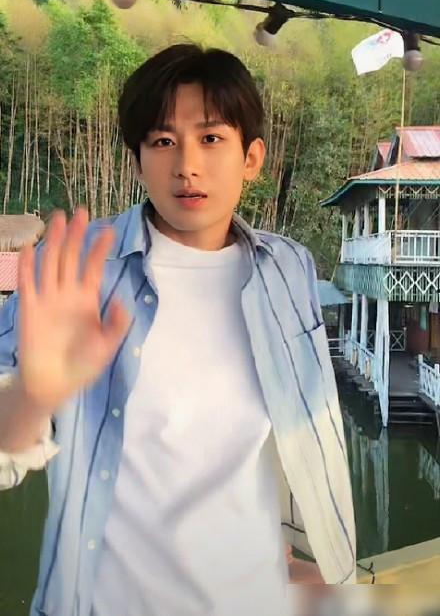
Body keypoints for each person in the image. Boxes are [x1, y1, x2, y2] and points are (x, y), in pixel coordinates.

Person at [0, 44, 356, 616]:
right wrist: (32, 397)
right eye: (163, 142)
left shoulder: (288, 268)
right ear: (138, 161)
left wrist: (305, 557)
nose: (186, 165)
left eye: (210, 138)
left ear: (251, 158)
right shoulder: (76, 271)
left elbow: (303, 430)